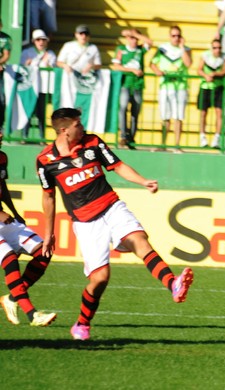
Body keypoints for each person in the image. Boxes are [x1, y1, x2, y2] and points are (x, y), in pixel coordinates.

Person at [36, 108, 194, 340]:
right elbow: (48, 196)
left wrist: (143, 181)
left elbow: (118, 166)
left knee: (140, 242)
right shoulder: (45, 161)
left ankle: (173, 284)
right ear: (64, 130)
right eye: (78, 125)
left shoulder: (93, 143)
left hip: (111, 207)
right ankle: (82, 324)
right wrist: (49, 233)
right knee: (100, 278)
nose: (83, 128)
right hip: (86, 221)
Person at [0, 132, 56, 327]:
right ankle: (32, 315)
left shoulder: (2, 157)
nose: (0, 134)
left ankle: (12, 298)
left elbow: (2, 187)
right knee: (9, 258)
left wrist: (14, 211)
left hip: (4, 220)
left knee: (44, 250)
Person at [150, 26, 192, 153]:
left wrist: (182, 48)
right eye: (173, 36)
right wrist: (157, 71)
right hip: (166, 86)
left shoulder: (186, 49)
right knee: (165, 116)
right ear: (169, 36)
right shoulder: (163, 48)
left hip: (180, 87)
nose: (176, 38)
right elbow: (152, 63)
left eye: (178, 36)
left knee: (178, 116)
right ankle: (163, 144)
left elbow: (188, 64)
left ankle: (177, 145)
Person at [111, 28, 152, 150]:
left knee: (135, 113)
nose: (133, 40)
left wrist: (136, 34)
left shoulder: (140, 50)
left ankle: (131, 138)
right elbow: (116, 66)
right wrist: (132, 70)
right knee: (122, 108)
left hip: (138, 85)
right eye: (131, 37)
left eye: (135, 38)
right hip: (125, 84)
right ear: (127, 38)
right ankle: (123, 135)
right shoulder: (121, 50)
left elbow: (150, 43)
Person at [20, 28, 56, 142]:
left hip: (43, 88)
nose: (41, 42)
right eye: (38, 40)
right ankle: (24, 136)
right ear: (34, 41)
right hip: (30, 87)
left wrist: (47, 64)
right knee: (28, 110)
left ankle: (42, 137)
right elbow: (22, 69)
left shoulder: (50, 54)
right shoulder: (26, 53)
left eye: (43, 39)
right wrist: (27, 64)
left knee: (41, 112)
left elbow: (53, 68)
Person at [196, 39, 225, 149]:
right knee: (203, 113)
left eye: (219, 48)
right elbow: (199, 70)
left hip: (218, 87)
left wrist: (215, 74)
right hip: (205, 87)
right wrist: (206, 76)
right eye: (215, 48)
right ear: (211, 48)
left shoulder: (224, 57)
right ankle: (202, 137)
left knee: (219, 113)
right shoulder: (205, 56)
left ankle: (216, 139)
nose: (217, 50)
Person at [0, 19, 12, 134]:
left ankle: (0, 125)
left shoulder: (5, 38)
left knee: (1, 99)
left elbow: (6, 55)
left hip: (0, 72)